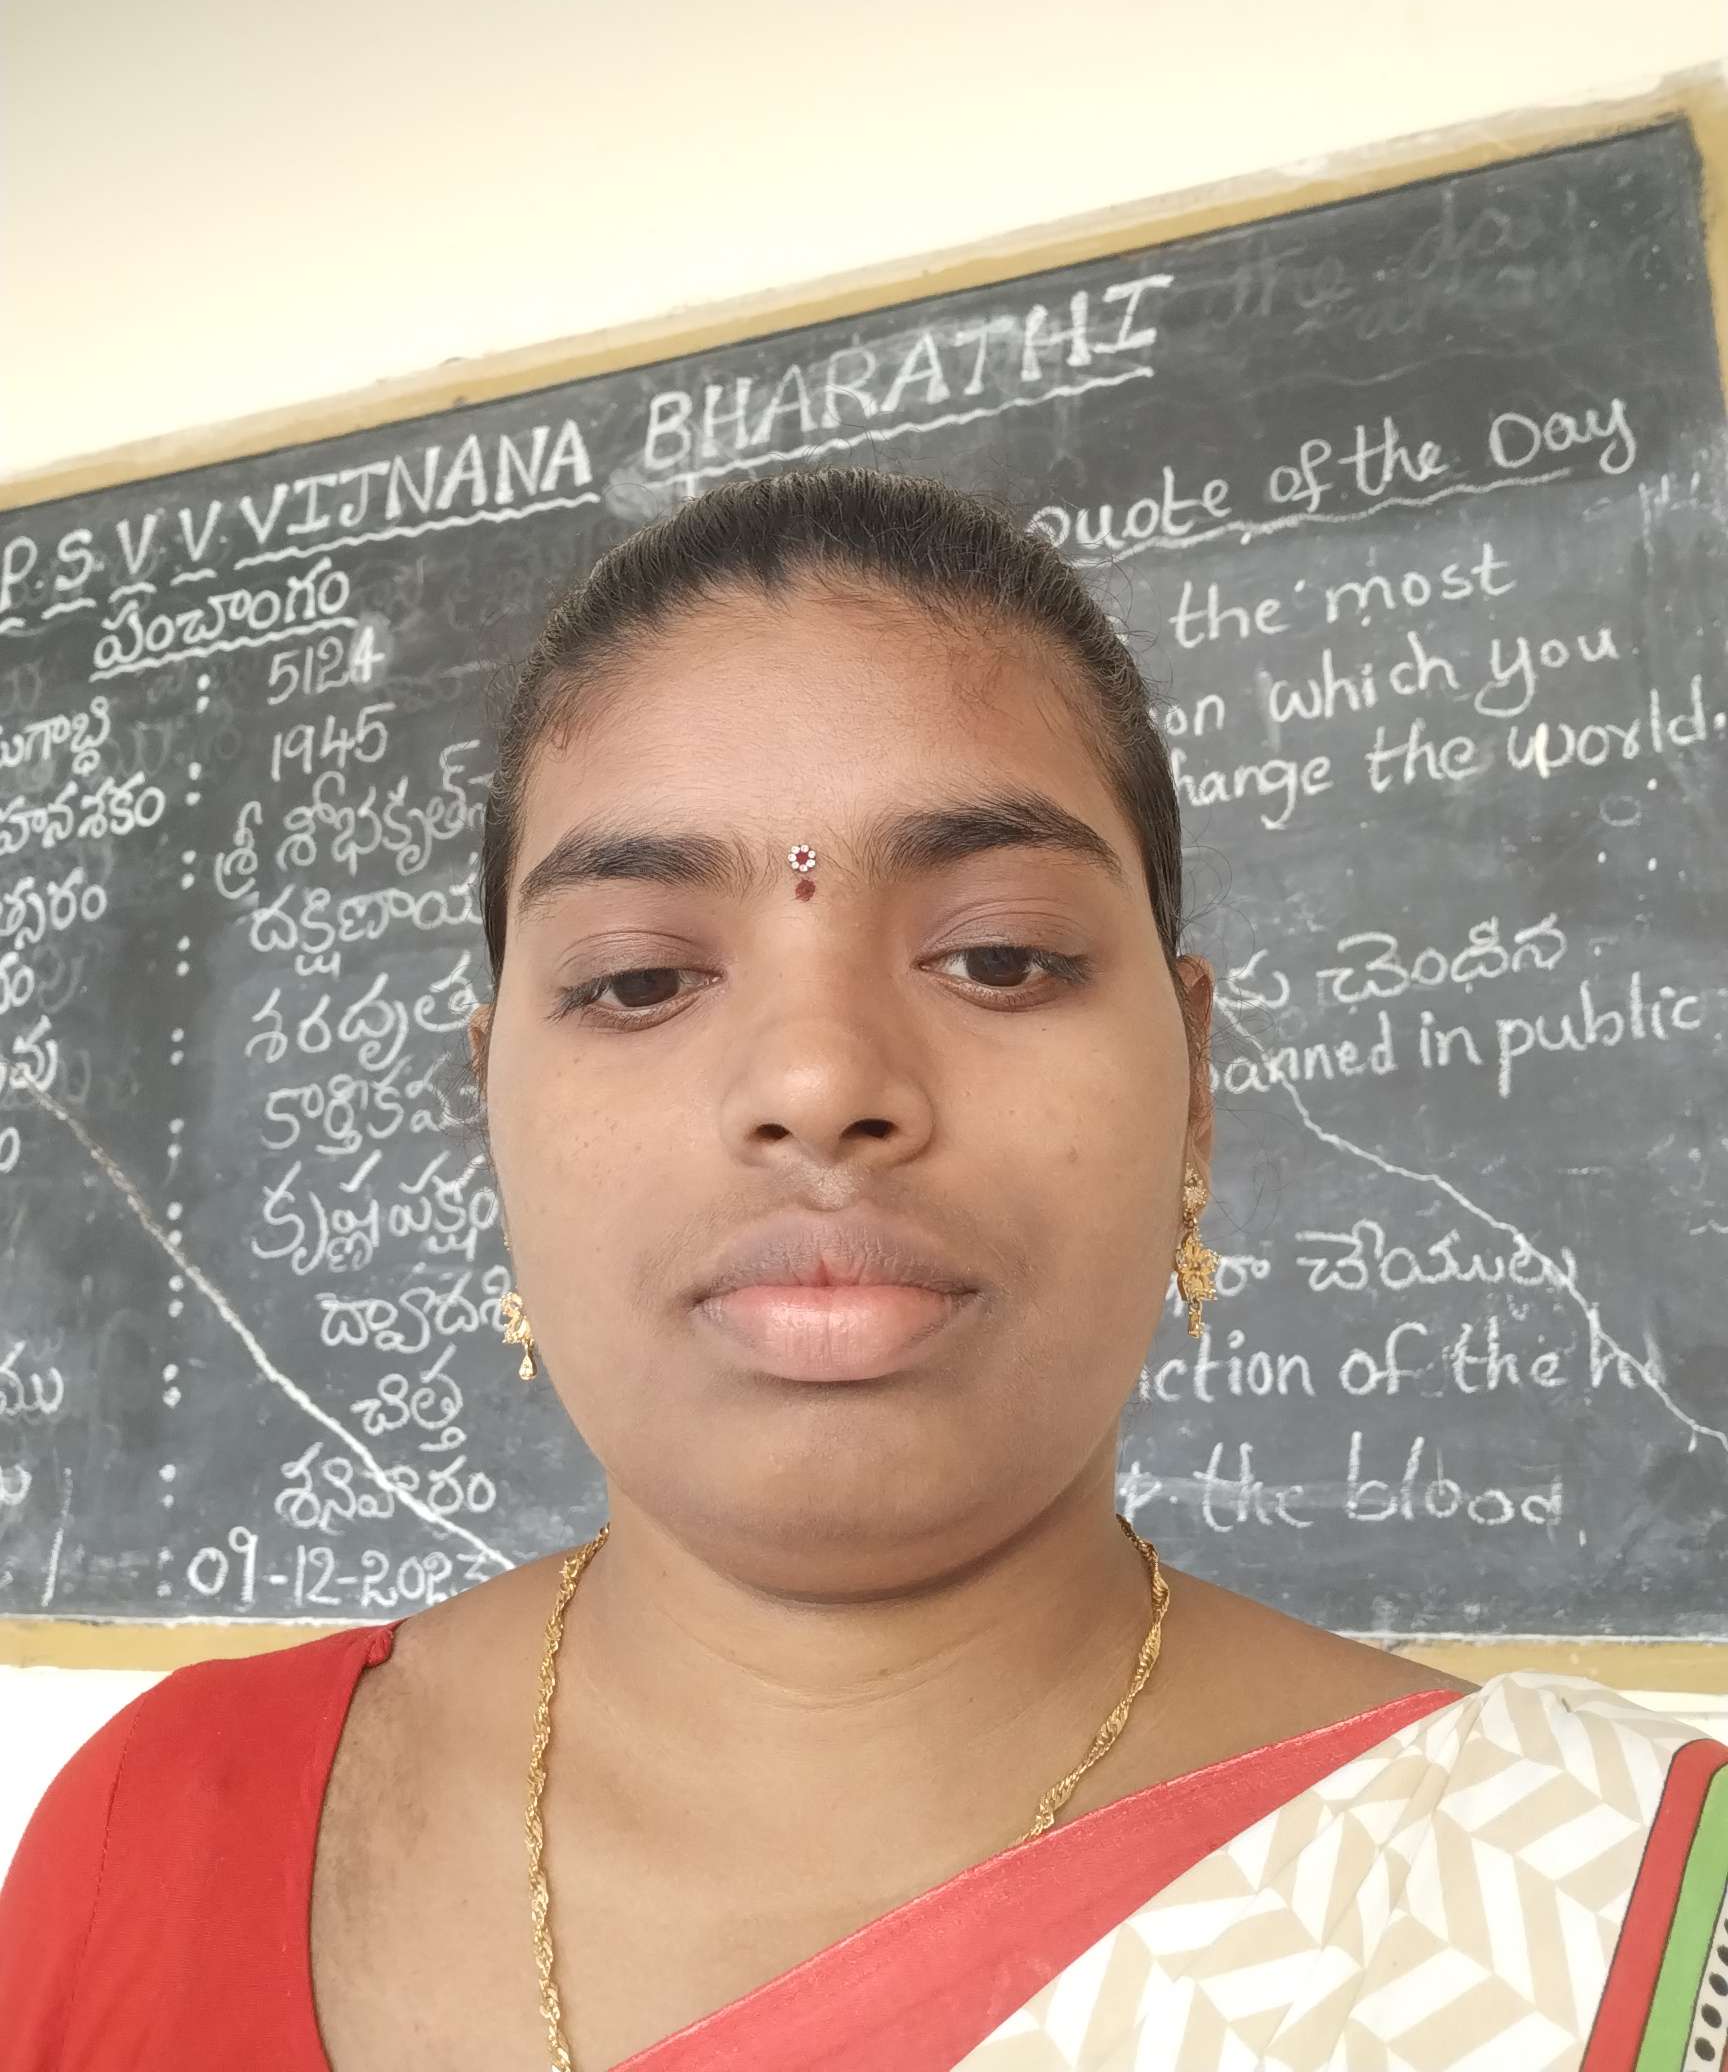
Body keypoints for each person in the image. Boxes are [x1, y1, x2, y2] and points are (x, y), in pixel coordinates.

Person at [2, 467, 1721, 2071]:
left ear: (1195, 1088)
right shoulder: (155, 1831)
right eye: (637, 980)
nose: (821, 1081)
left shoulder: (1610, 1902)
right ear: (489, 1114)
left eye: (1000, 955)